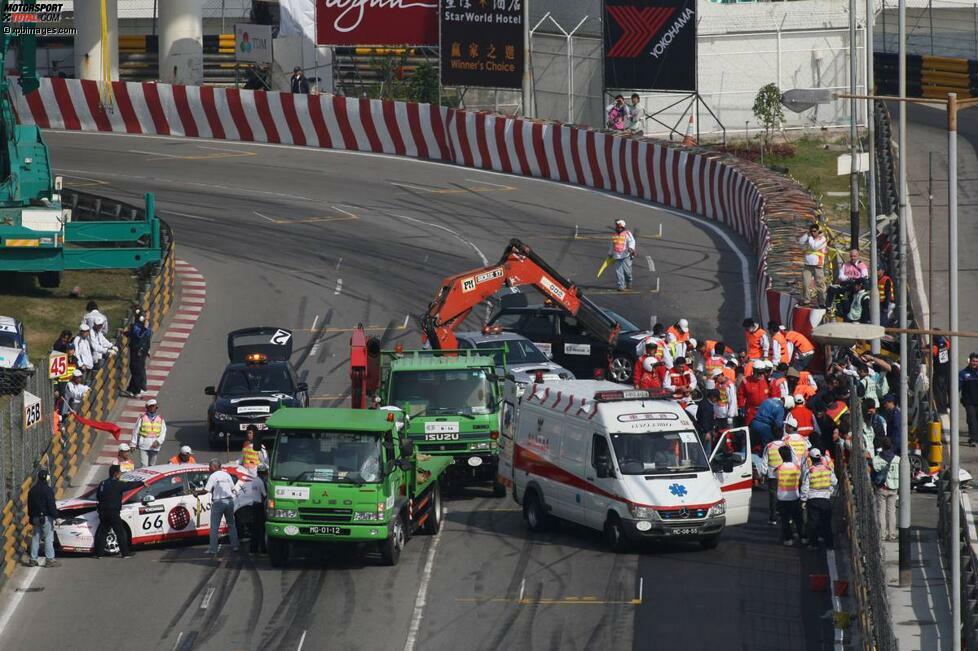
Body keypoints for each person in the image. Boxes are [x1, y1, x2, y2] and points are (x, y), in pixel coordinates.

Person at [93, 465, 145, 558]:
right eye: (119, 473)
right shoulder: (118, 484)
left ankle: (99, 554)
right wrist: (142, 483)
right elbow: (130, 485)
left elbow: (98, 496)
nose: (120, 475)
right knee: (120, 532)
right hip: (113, 512)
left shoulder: (102, 483)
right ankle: (125, 553)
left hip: (102, 512)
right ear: (116, 474)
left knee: (103, 532)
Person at [196, 460, 241, 555]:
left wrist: (196, 493)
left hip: (218, 502)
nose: (208, 469)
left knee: (214, 527)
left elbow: (206, 490)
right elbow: (232, 488)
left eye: (210, 467)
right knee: (231, 525)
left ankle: (213, 549)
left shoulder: (213, 476)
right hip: (229, 501)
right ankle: (235, 546)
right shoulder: (227, 475)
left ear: (215, 467)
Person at [801, 448, 837, 549]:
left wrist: (803, 500)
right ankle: (829, 544)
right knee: (826, 523)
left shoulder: (810, 471)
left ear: (811, 459)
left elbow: (805, 487)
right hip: (825, 499)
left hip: (813, 500)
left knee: (813, 522)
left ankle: (814, 544)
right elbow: (834, 482)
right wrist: (829, 490)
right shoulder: (828, 469)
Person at [27, 468, 59, 567]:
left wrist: (31, 517)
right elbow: (51, 505)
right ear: (47, 479)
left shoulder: (32, 490)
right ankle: (49, 559)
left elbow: (29, 505)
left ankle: (33, 559)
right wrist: (56, 517)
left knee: (36, 538)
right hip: (45, 518)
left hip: (35, 517)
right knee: (48, 537)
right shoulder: (48, 490)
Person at [775, 445, 805, 545]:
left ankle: (789, 539)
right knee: (798, 519)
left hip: (782, 498)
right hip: (794, 496)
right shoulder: (797, 468)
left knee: (785, 520)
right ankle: (803, 537)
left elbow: (776, 478)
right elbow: (800, 479)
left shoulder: (778, 469)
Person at [760, 436, 793, 525]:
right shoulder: (786, 445)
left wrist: (763, 473)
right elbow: (792, 457)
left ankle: (773, 518)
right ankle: (788, 517)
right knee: (786, 495)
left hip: (772, 475)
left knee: (773, 496)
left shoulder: (769, 446)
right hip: (784, 473)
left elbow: (764, 460)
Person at [872, 436, 900, 542]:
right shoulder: (898, 459)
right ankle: (892, 534)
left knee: (881, 512)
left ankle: (882, 534)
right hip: (894, 488)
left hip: (882, 488)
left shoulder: (877, 459)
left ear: (882, 447)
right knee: (891, 512)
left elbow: (874, 473)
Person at [798, 223, 828, 307]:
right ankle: (806, 300)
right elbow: (800, 242)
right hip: (808, 265)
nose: (813, 233)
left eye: (814, 231)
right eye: (811, 231)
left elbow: (814, 246)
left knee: (820, 284)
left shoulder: (823, 239)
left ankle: (821, 302)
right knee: (805, 283)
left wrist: (810, 237)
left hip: (818, 266)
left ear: (818, 231)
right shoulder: (809, 237)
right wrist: (807, 234)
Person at [131, 398, 166, 467]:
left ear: (156, 407)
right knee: (144, 465)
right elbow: (135, 430)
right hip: (144, 445)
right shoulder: (142, 418)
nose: (153, 408)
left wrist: (158, 441)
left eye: (154, 406)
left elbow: (163, 432)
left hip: (155, 446)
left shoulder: (160, 419)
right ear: (147, 408)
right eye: (151, 406)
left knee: (152, 466)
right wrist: (133, 444)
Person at [125, 310, 152, 398]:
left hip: (142, 351)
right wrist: (145, 327)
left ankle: (131, 389)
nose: (148, 318)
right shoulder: (137, 326)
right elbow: (139, 335)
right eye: (146, 317)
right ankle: (136, 390)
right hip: (137, 351)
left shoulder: (145, 326)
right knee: (137, 371)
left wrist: (148, 349)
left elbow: (147, 337)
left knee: (139, 370)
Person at [738, 360, 772, 424]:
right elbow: (741, 394)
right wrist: (741, 406)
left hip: (764, 411)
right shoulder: (746, 381)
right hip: (751, 411)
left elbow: (772, 395)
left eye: (762, 373)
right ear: (753, 371)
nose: (760, 375)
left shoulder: (768, 381)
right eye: (758, 373)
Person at [608, 219, 636, 291]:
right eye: (617, 226)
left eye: (619, 227)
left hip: (626, 256)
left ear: (622, 227)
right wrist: (610, 253)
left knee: (627, 271)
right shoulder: (614, 235)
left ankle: (629, 281)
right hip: (617, 256)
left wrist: (630, 248)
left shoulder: (627, 233)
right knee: (618, 272)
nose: (617, 228)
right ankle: (621, 286)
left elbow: (632, 241)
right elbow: (612, 245)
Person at [250, 464, 269, 554]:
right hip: (260, 507)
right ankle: (263, 549)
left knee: (254, 529)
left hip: (254, 505)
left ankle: (253, 549)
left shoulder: (254, 481)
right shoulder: (261, 482)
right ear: (264, 473)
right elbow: (265, 495)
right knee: (261, 529)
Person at [960, 353, 978, 446]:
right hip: (969, 402)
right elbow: (957, 387)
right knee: (972, 420)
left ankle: (976, 437)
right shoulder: (963, 373)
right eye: (973, 361)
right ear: (969, 361)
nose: (975, 363)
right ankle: (973, 439)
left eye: (976, 361)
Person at [932, 335, 951, 412]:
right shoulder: (946, 344)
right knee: (946, 388)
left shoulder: (935, 348)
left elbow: (931, 351)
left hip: (939, 372)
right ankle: (949, 404)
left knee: (939, 390)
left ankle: (942, 408)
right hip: (946, 370)